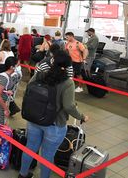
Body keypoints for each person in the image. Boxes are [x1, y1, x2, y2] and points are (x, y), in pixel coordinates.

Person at [19, 50, 89, 178]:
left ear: (52, 61)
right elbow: (69, 106)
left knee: (30, 148)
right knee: (47, 155)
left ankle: (23, 174)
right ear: (68, 66)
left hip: (35, 118)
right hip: (55, 124)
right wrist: (82, 116)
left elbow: (28, 91)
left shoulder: (39, 75)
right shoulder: (67, 83)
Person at [0, 56, 21, 125]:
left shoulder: (8, 75)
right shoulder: (4, 77)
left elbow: (3, 89)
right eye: (17, 65)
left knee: (0, 123)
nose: (18, 67)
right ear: (12, 67)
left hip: (1, 103)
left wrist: (7, 91)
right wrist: (6, 108)